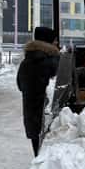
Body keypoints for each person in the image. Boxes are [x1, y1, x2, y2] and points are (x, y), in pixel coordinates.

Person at [17, 26, 60, 156]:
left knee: (37, 145)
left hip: (31, 111)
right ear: (48, 42)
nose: (57, 43)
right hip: (47, 112)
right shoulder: (50, 60)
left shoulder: (26, 61)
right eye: (55, 40)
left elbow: (20, 85)